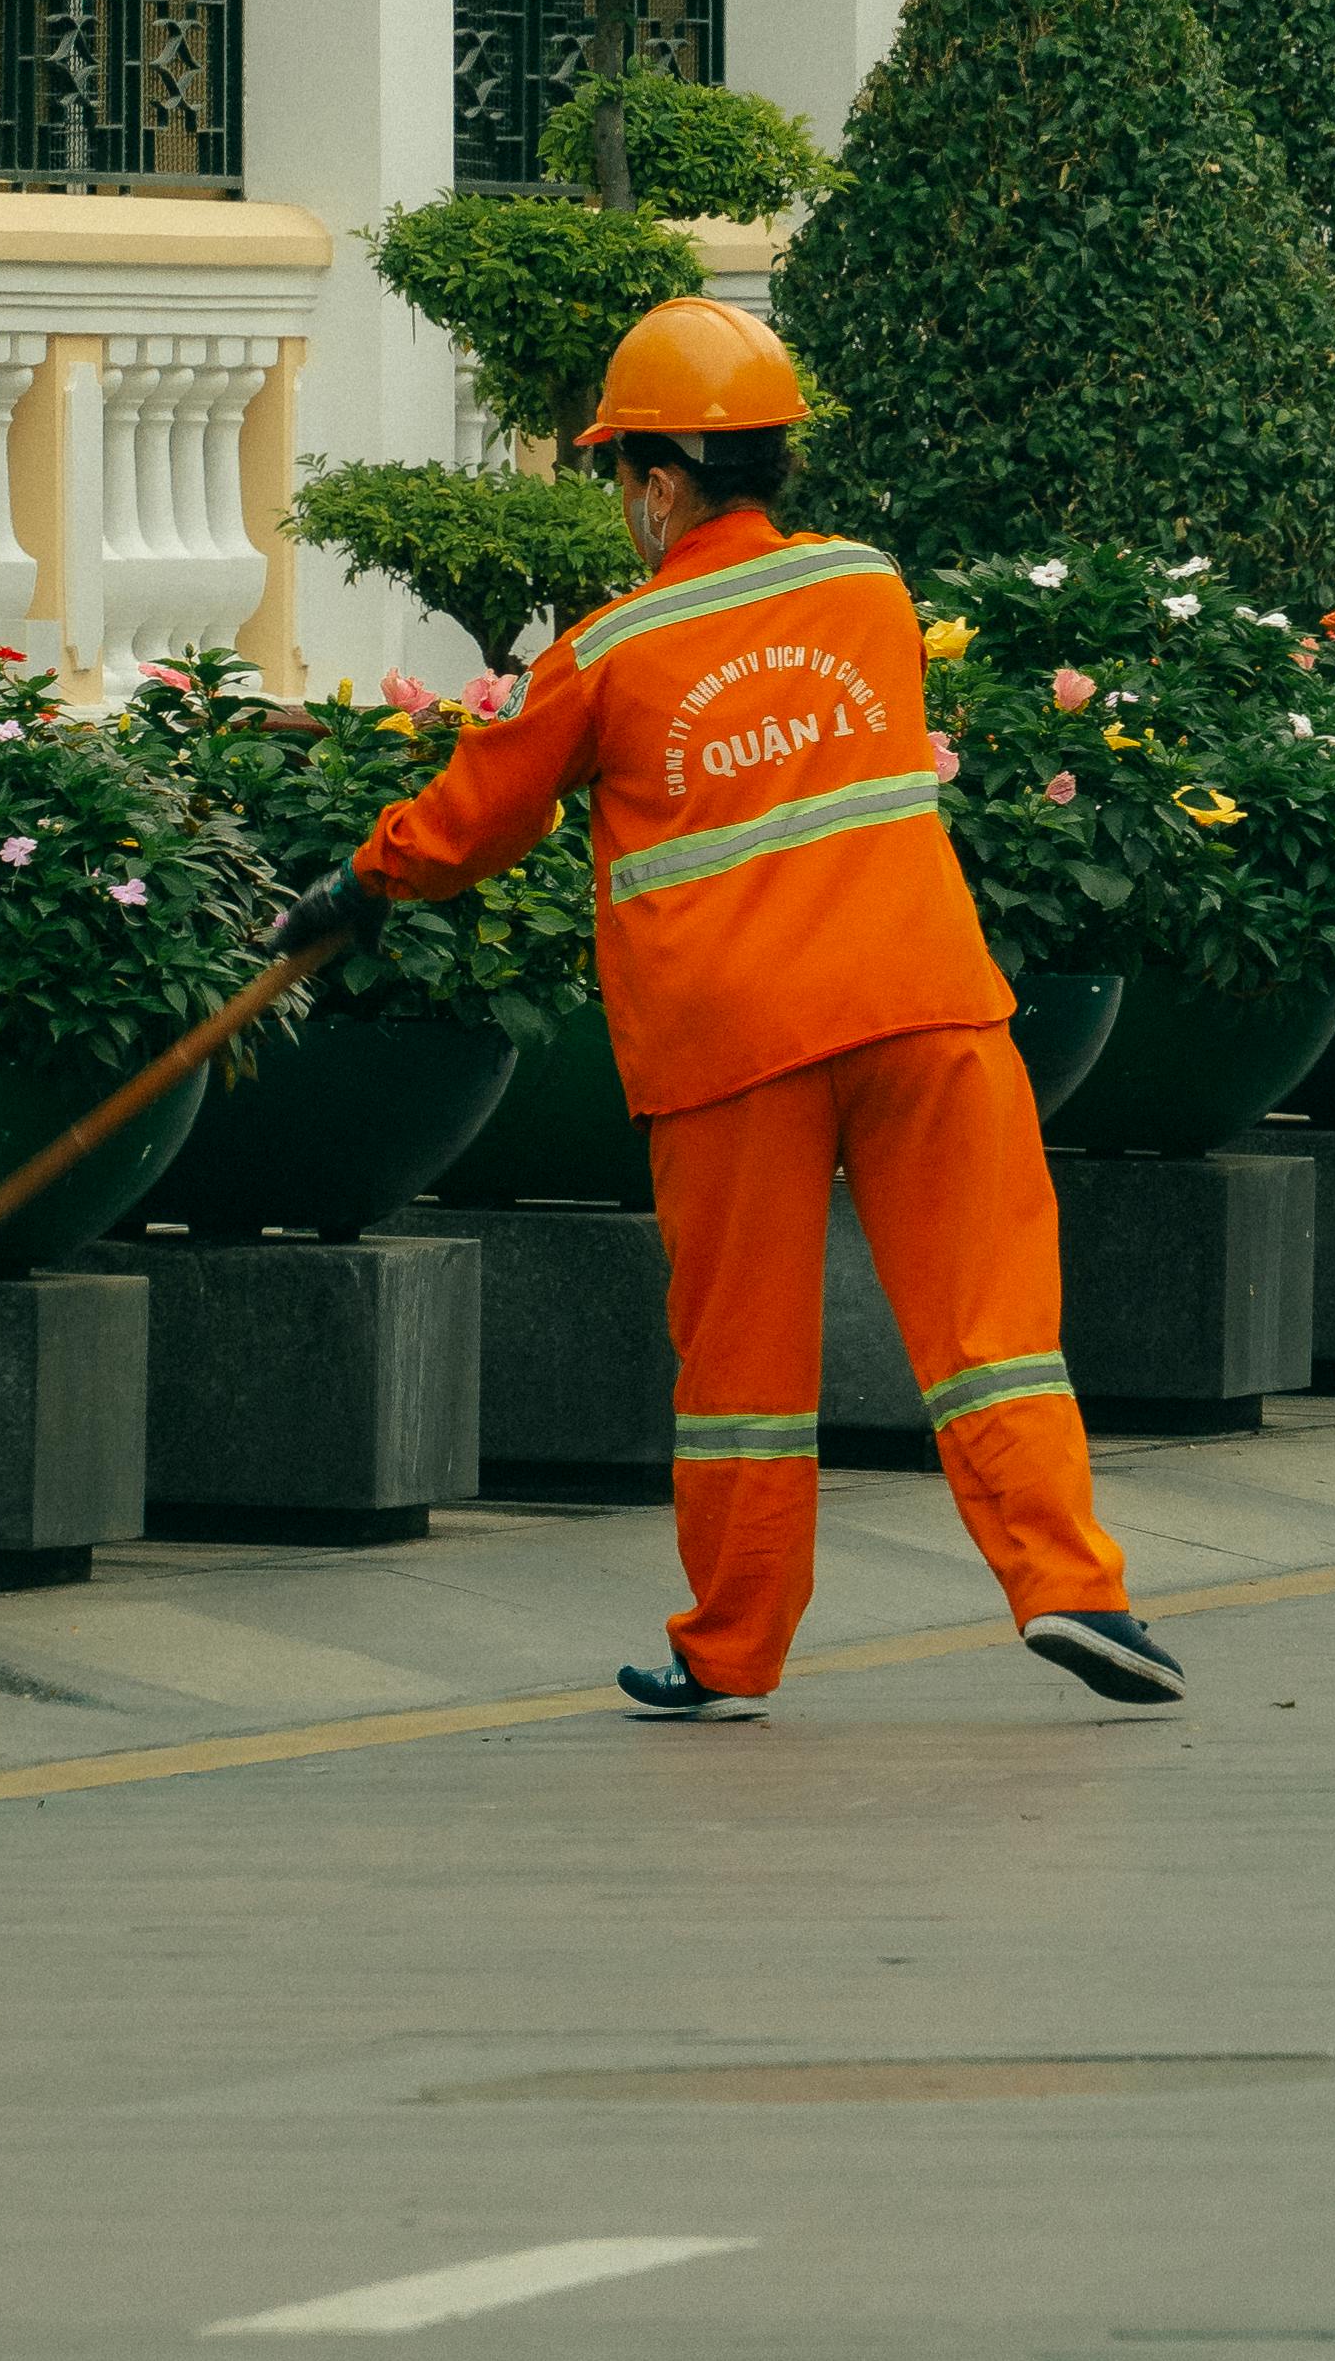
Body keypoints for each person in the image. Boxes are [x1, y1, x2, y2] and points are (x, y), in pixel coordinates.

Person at [273, 298, 1182, 1719]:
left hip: (733, 1046)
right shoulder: (869, 590)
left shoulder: (611, 652)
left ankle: (732, 1649)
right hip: (926, 1008)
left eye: (619, 475)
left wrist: (355, 884)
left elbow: (475, 816)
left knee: (745, 1370)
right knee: (990, 1327)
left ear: (655, 478)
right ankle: (1074, 1590)